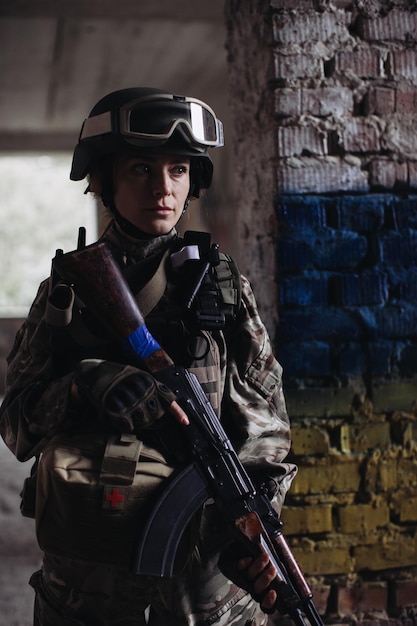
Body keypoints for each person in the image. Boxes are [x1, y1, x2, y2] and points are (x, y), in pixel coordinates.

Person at [0, 87, 296, 626]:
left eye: (179, 170)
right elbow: (16, 427)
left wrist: (250, 527)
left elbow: (267, 434)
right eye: (141, 168)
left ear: (193, 182)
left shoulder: (221, 286)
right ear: (105, 179)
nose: (163, 188)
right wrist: (84, 383)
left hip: (199, 592)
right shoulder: (68, 290)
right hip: (86, 584)